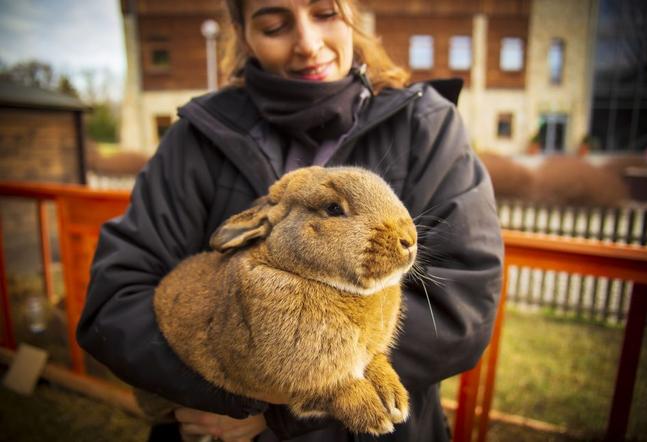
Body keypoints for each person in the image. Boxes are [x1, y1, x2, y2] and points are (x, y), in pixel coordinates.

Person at [76, 0, 504, 441]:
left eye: (325, 14)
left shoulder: (426, 125)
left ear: (352, 13)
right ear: (243, 34)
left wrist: (282, 404)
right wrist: (229, 397)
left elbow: (465, 304)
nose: (307, 44)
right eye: (276, 25)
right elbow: (116, 302)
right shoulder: (197, 136)